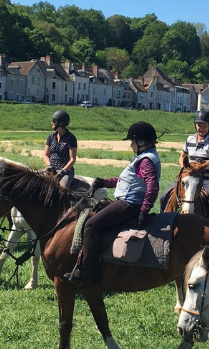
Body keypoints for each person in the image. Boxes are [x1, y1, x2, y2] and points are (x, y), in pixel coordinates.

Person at [67, 121, 161, 284]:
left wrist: (144, 211)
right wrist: (104, 182)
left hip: (130, 204)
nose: (131, 145)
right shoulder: (144, 158)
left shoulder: (145, 161)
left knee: (91, 225)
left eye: (132, 142)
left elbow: (152, 186)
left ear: (141, 142)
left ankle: (86, 271)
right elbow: (125, 180)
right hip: (129, 201)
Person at [180, 110, 209, 215]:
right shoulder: (189, 139)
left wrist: (205, 165)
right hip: (189, 177)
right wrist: (184, 169)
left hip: (207, 178)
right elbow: (182, 156)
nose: (201, 128)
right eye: (199, 125)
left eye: (205, 126)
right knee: (164, 197)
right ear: (195, 126)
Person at [43, 109, 77, 189]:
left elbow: (72, 159)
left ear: (61, 123)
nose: (52, 122)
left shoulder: (71, 138)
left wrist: (63, 172)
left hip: (65, 171)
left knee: (62, 188)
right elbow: (45, 155)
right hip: (51, 169)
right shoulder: (51, 137)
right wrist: (49, 165)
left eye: (54, 121)